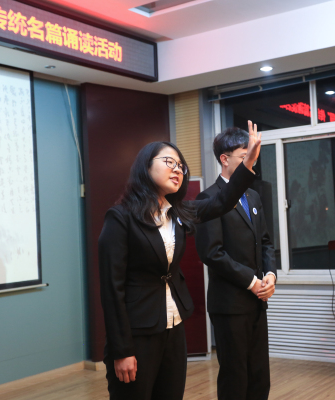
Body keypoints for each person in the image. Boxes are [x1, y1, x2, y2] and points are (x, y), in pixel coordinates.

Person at [98, 121, 262, 400]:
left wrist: (247, 164)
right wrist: (121, 349)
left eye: (181, 166)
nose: (177, 169)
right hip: (138, 331)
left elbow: (222, 201)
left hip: (174, 324)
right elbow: (112, 289)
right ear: (145, 166)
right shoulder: (120, 217)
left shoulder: (178, 212)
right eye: (169, 162)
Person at [194, 127, 277, 400]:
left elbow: (265, 242)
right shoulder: (207, 199)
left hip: (257, 301)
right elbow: (212, 253)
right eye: (244, 157)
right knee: (235, 376)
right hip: (229, 304)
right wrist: (252, 282)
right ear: (224, 159)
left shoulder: (253, 196)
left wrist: (270, 275)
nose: (250, 162)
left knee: (259, 375)